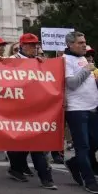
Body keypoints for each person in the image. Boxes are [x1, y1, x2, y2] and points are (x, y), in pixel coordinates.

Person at [7, 33, 57, 189]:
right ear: (22, 46)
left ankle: (45, 177)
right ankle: (16, 168)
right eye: (30, 45)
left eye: (36, 44)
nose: (34, 47)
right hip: (17, 109)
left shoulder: (39, 61)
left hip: (36, 109)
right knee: (19, 143)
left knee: (38, 144)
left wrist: (44, 65)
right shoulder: (12, 61)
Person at [62, 31, 98, 193]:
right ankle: (89, 180)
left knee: (94, 143)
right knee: (82, 146)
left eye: (84, 42)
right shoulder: (65, 60)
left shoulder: (82, 58)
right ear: (70, 45)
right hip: (77, 110)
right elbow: (72, 83)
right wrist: (87, 69)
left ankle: (75, 163)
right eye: (80, 43)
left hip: (92, 108)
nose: (84, 45)